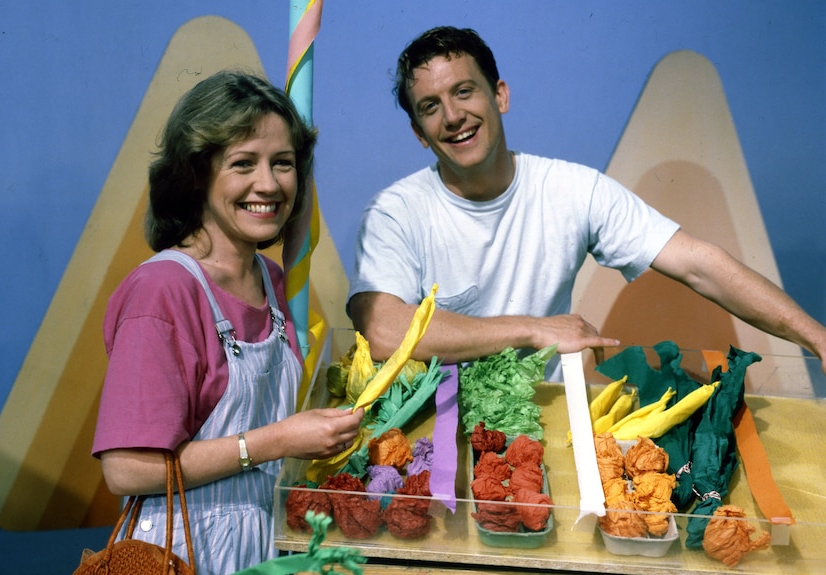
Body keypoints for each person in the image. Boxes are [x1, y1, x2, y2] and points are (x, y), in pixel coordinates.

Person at [347, 26, 826, 378]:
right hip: (431, 435)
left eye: (464, 91)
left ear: (500, 95)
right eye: (430, 107)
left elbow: (699, 263)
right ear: (418, 133)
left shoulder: (572, 189)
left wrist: (817, 338)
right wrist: (533, 329)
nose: (453, 116)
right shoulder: (395, 212)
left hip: (548, 421)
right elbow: (384, 330)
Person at [92, 70, 365, 574]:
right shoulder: (164, 290)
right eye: (243, 164)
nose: (269, 184)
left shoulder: (274, 278)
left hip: (264, 546)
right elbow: (126, 468)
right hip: (184, 552)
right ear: (197, 173)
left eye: (283, 164)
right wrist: (279, 440)